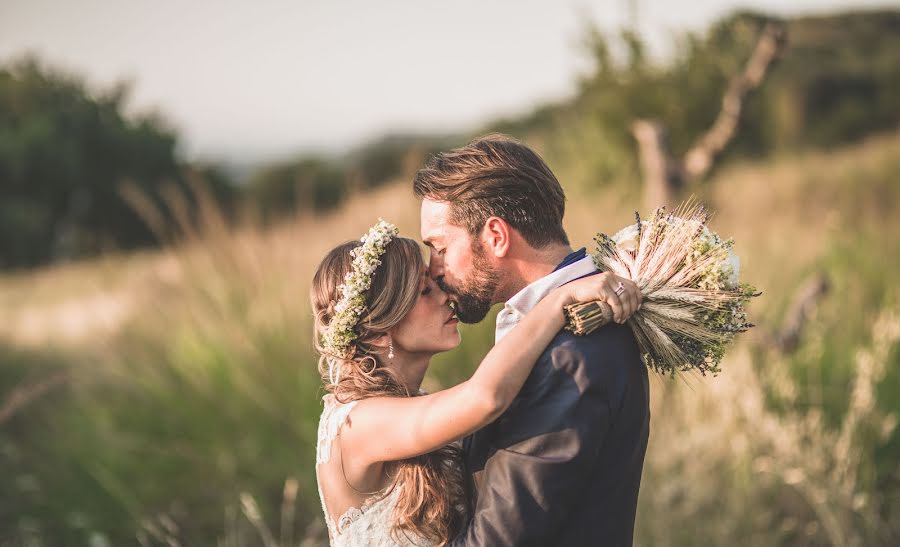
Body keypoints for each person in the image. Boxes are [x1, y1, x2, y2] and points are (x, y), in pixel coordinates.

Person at [311, 218, 640, 546]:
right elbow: (486, 397)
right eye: (424, 291)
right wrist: (558, 299)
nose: (444, 294)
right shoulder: (356, 424)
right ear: (381, 334)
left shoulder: (412, 404)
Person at [414, 134, 650, 546]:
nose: (434, 269)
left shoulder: (571, 356)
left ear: (496, 236)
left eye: (440, 247)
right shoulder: (549, 331)